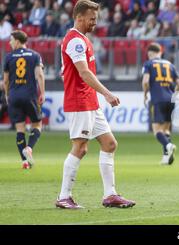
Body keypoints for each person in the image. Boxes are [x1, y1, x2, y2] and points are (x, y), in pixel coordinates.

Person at [56, 0, 135, 209]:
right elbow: (84, 72)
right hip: (80, 101)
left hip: (90, 101)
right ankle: (64, 196)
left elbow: (76, 70)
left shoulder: (82, 40)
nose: (95, 23)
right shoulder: (75, 41)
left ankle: (110, 195)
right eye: (92, 19)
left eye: (96, 19)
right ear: (79, 17)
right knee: (80, 147)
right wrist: (107, 93)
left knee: (110, 144)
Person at [2, 30, 45, 169]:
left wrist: (8, 95)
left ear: (18, 41)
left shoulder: (8, 57)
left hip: (14, 96)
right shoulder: (35, 55)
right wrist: (42, 92)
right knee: (37, 124)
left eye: (11, 40)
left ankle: (24, 162)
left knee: (20, 129)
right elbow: (40, 75)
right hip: (30, 95)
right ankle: (30, 148)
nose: (9, 42)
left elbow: (6, 81)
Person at [141, 43, 179, 165]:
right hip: (170, 99)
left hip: (157, 99)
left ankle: (168, 145)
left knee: (157, 130)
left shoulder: (148, 64)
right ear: (160, 52)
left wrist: (145, 94)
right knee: (166, 129)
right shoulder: (170, 64)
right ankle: (166, 157)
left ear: (149, 54)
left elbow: (145, 82)